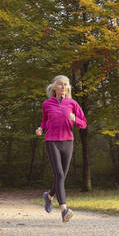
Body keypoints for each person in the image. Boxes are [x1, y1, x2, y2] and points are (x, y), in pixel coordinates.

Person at [35, 75, 87, 222]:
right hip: (51, 140)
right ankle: (64, 209)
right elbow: (45, 122)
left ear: (68, 88)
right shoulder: (47, 104)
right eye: (60, 84)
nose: (63, 87)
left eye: (65, 84)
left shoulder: (73, 103)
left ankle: (49, 195)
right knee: (59, 173)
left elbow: (83, 123)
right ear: (54, 87)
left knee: (62, 175)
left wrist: (74, 119)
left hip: (68, 142)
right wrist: (40, 128)